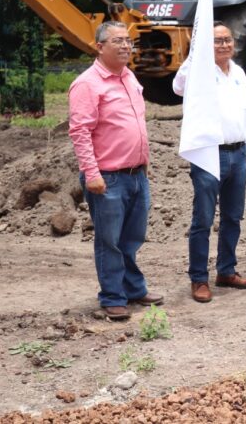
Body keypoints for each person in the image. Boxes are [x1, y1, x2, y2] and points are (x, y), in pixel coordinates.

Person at [68, 21, 162, 320]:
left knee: (132, 238)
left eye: (128, 41)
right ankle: (112, 296)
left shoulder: (128, 77)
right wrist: (91, 173)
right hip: (107, 178)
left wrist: (144, 160)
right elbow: (80, 131)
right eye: (117, 41)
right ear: (99, 46)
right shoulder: (87, 83)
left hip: (136, 174)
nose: (125, 46)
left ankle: (133, 288)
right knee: (109, 240)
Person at [173, 22, 246, 303]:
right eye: (217, 41)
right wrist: (194, 55)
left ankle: (226, 270)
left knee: (233, 216)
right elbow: (178, 87)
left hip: (237, 152)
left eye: (227, 40)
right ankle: (199, 278)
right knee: (204, 219)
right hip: (209, 153)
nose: (223, 45)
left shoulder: (239, 73)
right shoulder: (199, 71)